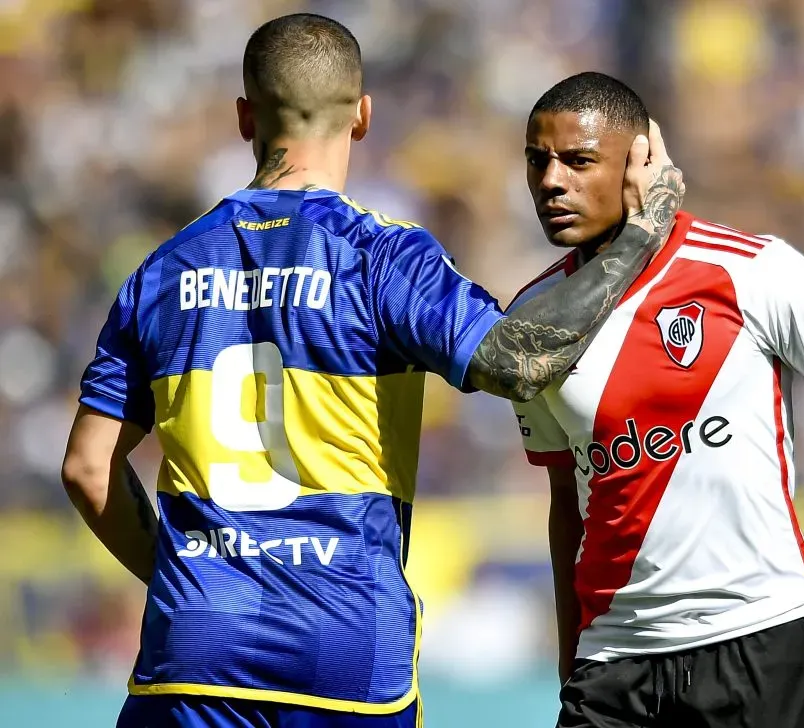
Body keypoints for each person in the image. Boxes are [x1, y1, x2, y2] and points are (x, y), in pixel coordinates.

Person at [59, 16, 683, 728]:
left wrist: (196, 583)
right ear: (362, 117)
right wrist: (641, 232)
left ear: (244, 118)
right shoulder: (383, 258)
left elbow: (86, 469)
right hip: (346, 652)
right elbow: (522, 360)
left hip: (196, 646)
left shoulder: (161, 270)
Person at [508, 71, 804, 728]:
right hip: (615, 665)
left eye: (578, 160)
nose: (551, 181)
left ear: (640, 161)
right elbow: (568, 508)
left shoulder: (755, 271)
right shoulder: (534, 324)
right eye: (539, 161)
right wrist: (574, 664)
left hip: (763, 643)